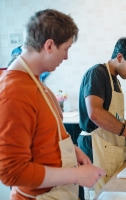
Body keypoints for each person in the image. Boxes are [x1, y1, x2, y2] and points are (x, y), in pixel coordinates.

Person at [0, 9, 106, 200]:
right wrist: (76, 175)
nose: (66, 57)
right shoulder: (14, 91)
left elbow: (44, 136)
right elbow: (11, 172)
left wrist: (73, 150)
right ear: (49, 45)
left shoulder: (36, 83)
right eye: (65, 49)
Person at [78, 37, 126, 197]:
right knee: (98, 194)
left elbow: (115, 117)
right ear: (119, 57)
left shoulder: (115, 80)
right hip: (95, 148)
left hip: (109, 149)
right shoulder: (97, 74)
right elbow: (96, 113)